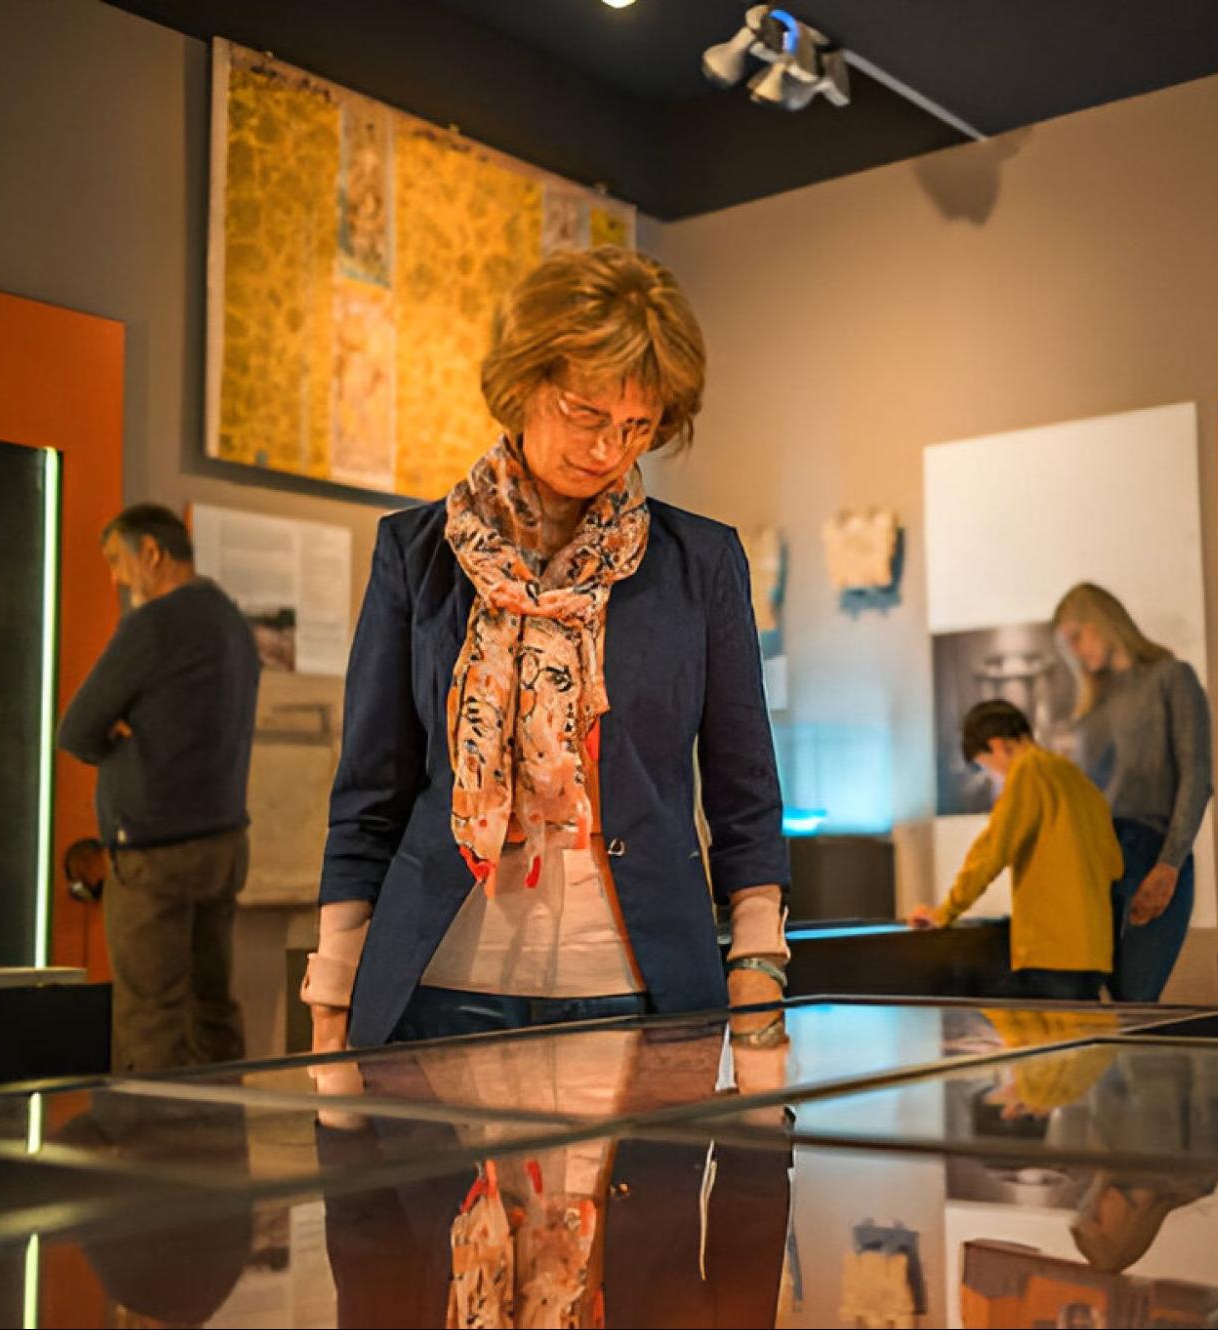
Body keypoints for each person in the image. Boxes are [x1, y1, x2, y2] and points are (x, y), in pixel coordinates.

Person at [304, 246, 789, 1052]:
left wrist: (758, 960)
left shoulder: (697, 563)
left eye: (637, 427)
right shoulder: (417, 555)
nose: (607, 450)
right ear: (522, 383)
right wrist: (332, 990)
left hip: (639, 984)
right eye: (586, 413)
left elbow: (745, 790)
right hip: (440, 983)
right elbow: (369, 793)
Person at [56, 504, 260, 1072]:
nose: (116, 579)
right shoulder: (230, 620)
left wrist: (119, 736)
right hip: (223, 842)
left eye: (117, 561)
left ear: (150, 552)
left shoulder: (153, 624)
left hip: (152, 850)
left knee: (151, 1019)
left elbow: (76, 729)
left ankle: (156, 1130)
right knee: (212, 1010)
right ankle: (222, 1127)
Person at [1053, 584, 1212, 1002]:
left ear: (1102, 621)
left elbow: (1196, 776)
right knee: (1089, 1000)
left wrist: (1169, 863)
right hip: (1097, 859)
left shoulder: (1171, 678)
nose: (1076, 653)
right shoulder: (1093, 706)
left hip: (1151, 851)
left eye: (1077, 637)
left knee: (1136, 998)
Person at [908, 700, 1121, 1002]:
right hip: (1094, 950)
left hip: (1050, 951)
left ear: (997, 745)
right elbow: (1114, 863)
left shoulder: (1027, 770)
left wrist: (946, 911)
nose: (995, 776)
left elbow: (992, 850)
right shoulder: (1075, 778)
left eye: (986, 766)